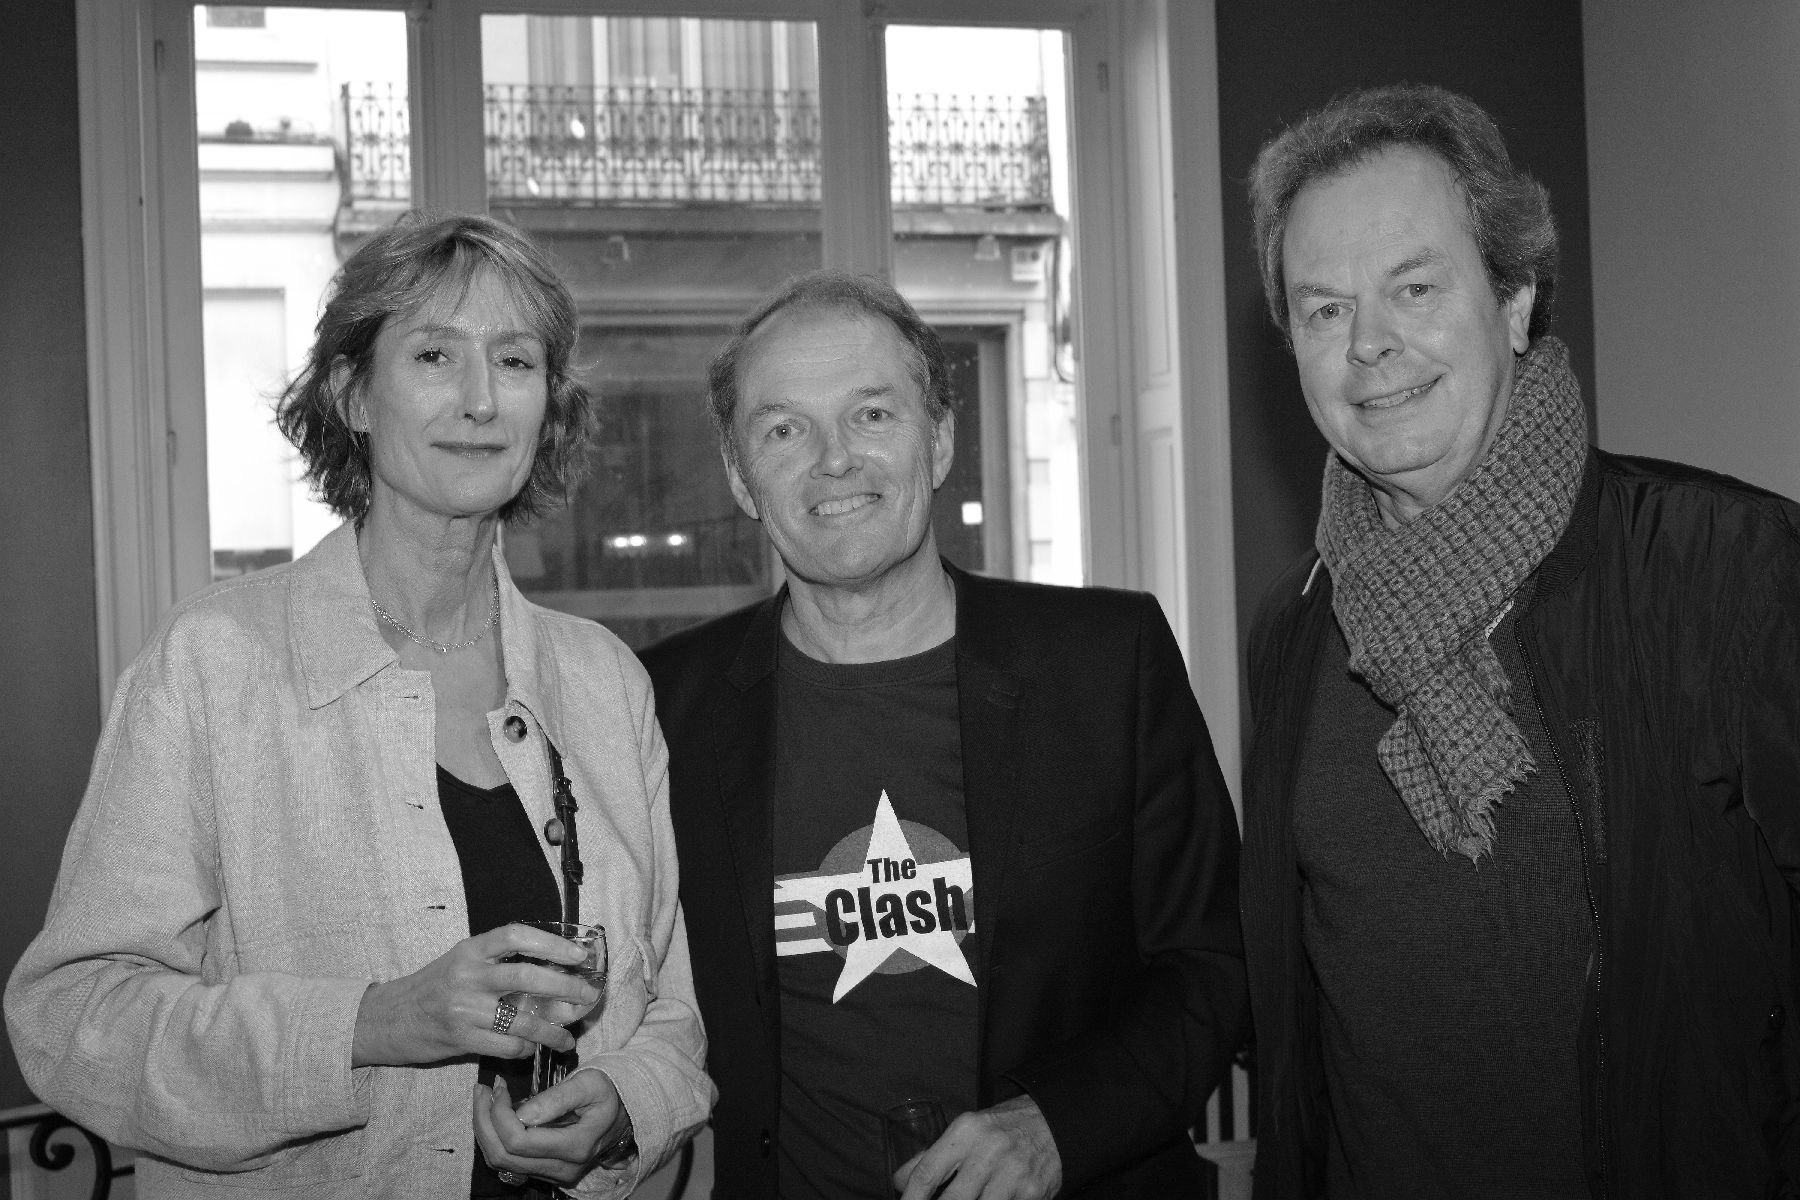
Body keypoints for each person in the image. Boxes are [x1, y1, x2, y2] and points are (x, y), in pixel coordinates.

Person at [5, 212, 712, 1198]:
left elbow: (672, 1015)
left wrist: (624, 1104)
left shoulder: (604, 683)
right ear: (352, 394)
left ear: (548, 406)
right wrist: (378, 1023)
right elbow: (77, 1018)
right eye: (433, 355)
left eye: (514, 362)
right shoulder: (214, 666)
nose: (479, 399)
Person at [1239, 83, 1800, 1198]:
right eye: (1325, 309)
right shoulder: (1294, 628)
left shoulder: (1730, 568)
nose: (1370, 345)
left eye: (1415, 287)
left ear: (1515, 299)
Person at [639, 270, 1246, 1200]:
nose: (834, 460)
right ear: (738, 476)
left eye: (872, 414)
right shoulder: (662, 708)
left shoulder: (1105, 665)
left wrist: (1057, 1126)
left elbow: (1212, 965)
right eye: (784, 429)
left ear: (941, 439)